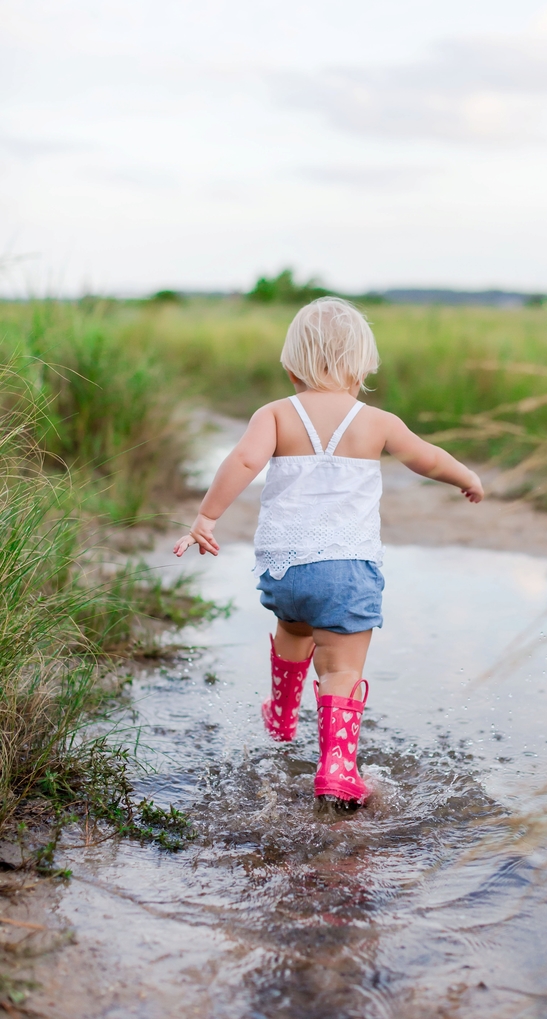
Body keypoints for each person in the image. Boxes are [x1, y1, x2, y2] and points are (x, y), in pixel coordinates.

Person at [174, 298, 483, 806]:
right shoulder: (376, 422)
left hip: (284, 571)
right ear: (362, 367)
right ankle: (338, 769)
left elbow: (245, 459)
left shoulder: (274, 414)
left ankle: (281, 713)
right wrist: (466, 477)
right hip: (346, 570)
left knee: (294, 628)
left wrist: (207, 517)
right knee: (341, 667)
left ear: (291, 366)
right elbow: (426, 459)